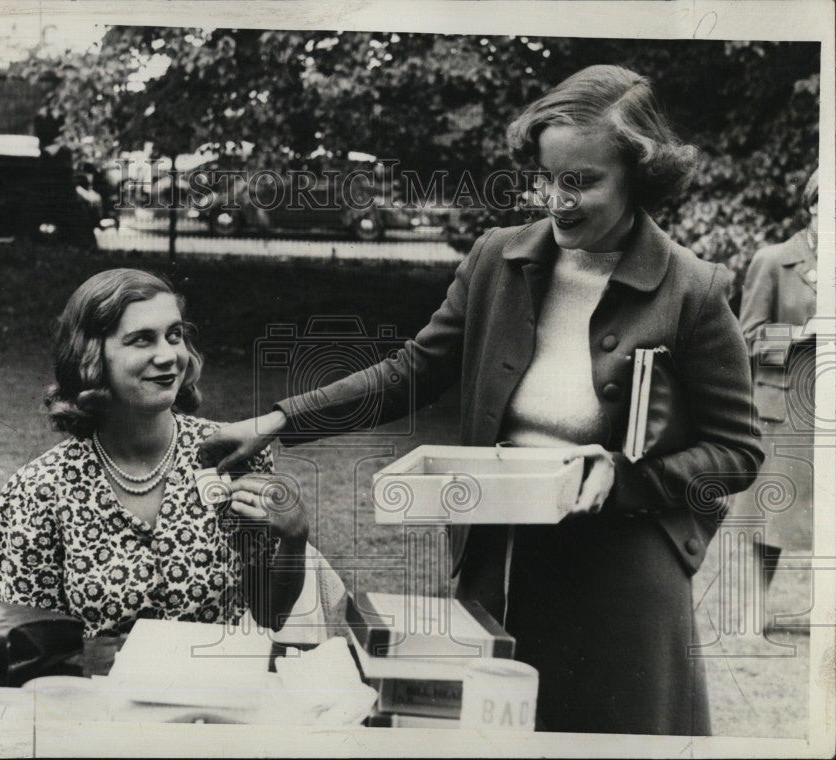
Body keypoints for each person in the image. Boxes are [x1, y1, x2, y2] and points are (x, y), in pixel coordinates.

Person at [200, 65, 763, 735]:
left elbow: (737, 451)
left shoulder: (694, 290)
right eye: (546, 178)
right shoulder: (499, 260)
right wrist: (280, 420)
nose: (555, 200)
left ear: (639, 175)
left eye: (580, 181)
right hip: (498, 568)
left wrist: (627, 475)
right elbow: (410, 371)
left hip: (624, 586)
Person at [0, 269, 308, 637]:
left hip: (214, 688)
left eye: (174, 336)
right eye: (142, 340)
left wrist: (294, 538)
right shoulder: (37, 492)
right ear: (91, 358)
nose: (169, 356)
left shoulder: (232, 457)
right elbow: (33, 646)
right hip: (95, 692)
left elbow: (271, 613)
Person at [737, 168, 818, 547]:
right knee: (770, 532)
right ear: (814, 205)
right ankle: (755, 608)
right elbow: (746, 340)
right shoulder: (773, 260)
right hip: (783, 414)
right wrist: (801, 336)